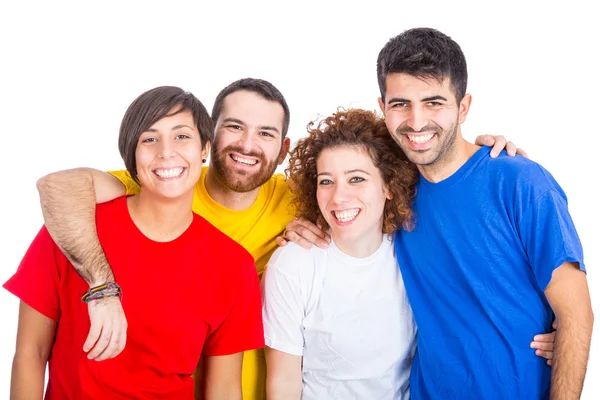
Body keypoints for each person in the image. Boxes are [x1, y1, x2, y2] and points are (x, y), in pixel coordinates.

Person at [34, 77, 530, 400]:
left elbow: (385, 180)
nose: (248, 146)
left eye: (266, 134)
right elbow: (57, 187)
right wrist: (101, 287)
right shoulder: (161, 180)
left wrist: (478, 149)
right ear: (210, 137)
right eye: (234, 128)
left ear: (285, 147)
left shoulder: (304, 201)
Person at [263, 108, 559, 399]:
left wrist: (486, 157)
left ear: (388, 186)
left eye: (356, 179)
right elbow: (282, 386)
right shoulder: (295, 263)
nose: (339, 196)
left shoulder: (411, 249)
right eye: (326, 181)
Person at [4, 86, 264, 399]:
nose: (166, 152)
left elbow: (223, 389)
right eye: (149, 139)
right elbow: (30, 353)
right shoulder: (76, 227)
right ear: (132, 153)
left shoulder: (233, 265)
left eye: (182, 136)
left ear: (205, 148)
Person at [376, 28, 591, 398]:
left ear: (463, 107)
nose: (415, 121)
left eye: (434, 103)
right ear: (382, 108)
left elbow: (576, 315)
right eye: (400, 104)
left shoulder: (521, 182)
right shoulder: (390, 190)